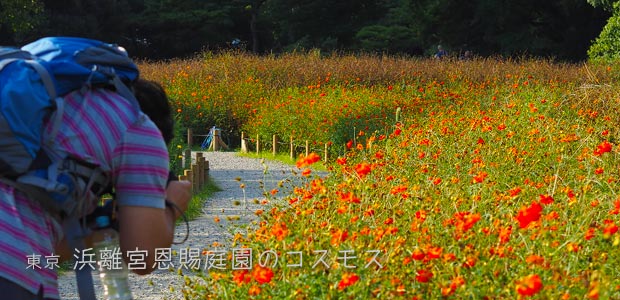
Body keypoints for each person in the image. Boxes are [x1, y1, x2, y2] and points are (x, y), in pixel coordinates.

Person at [0, 78, 192, 299]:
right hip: (11, 270)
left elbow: (48, 245)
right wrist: (171, 205)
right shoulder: (137, 125)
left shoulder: (51, 111)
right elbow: (142, 257)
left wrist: (101, 228)